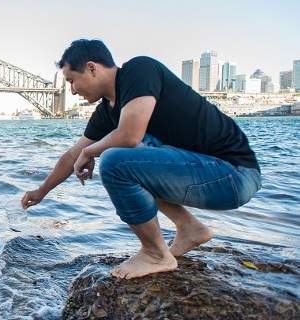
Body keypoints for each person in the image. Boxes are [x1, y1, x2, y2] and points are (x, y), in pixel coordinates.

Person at [20, 39, 261, 279]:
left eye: (72, 80)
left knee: (116, 161)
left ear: (92, 68)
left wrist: (91, 151)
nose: (71, 90)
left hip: (235, 174)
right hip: (216, 175)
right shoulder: (107, 111)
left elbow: (129, 135)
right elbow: (72, 155)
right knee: (133, 160)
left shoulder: (139, 70)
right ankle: (189, 228)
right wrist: (41, 191)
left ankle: (156, 254)